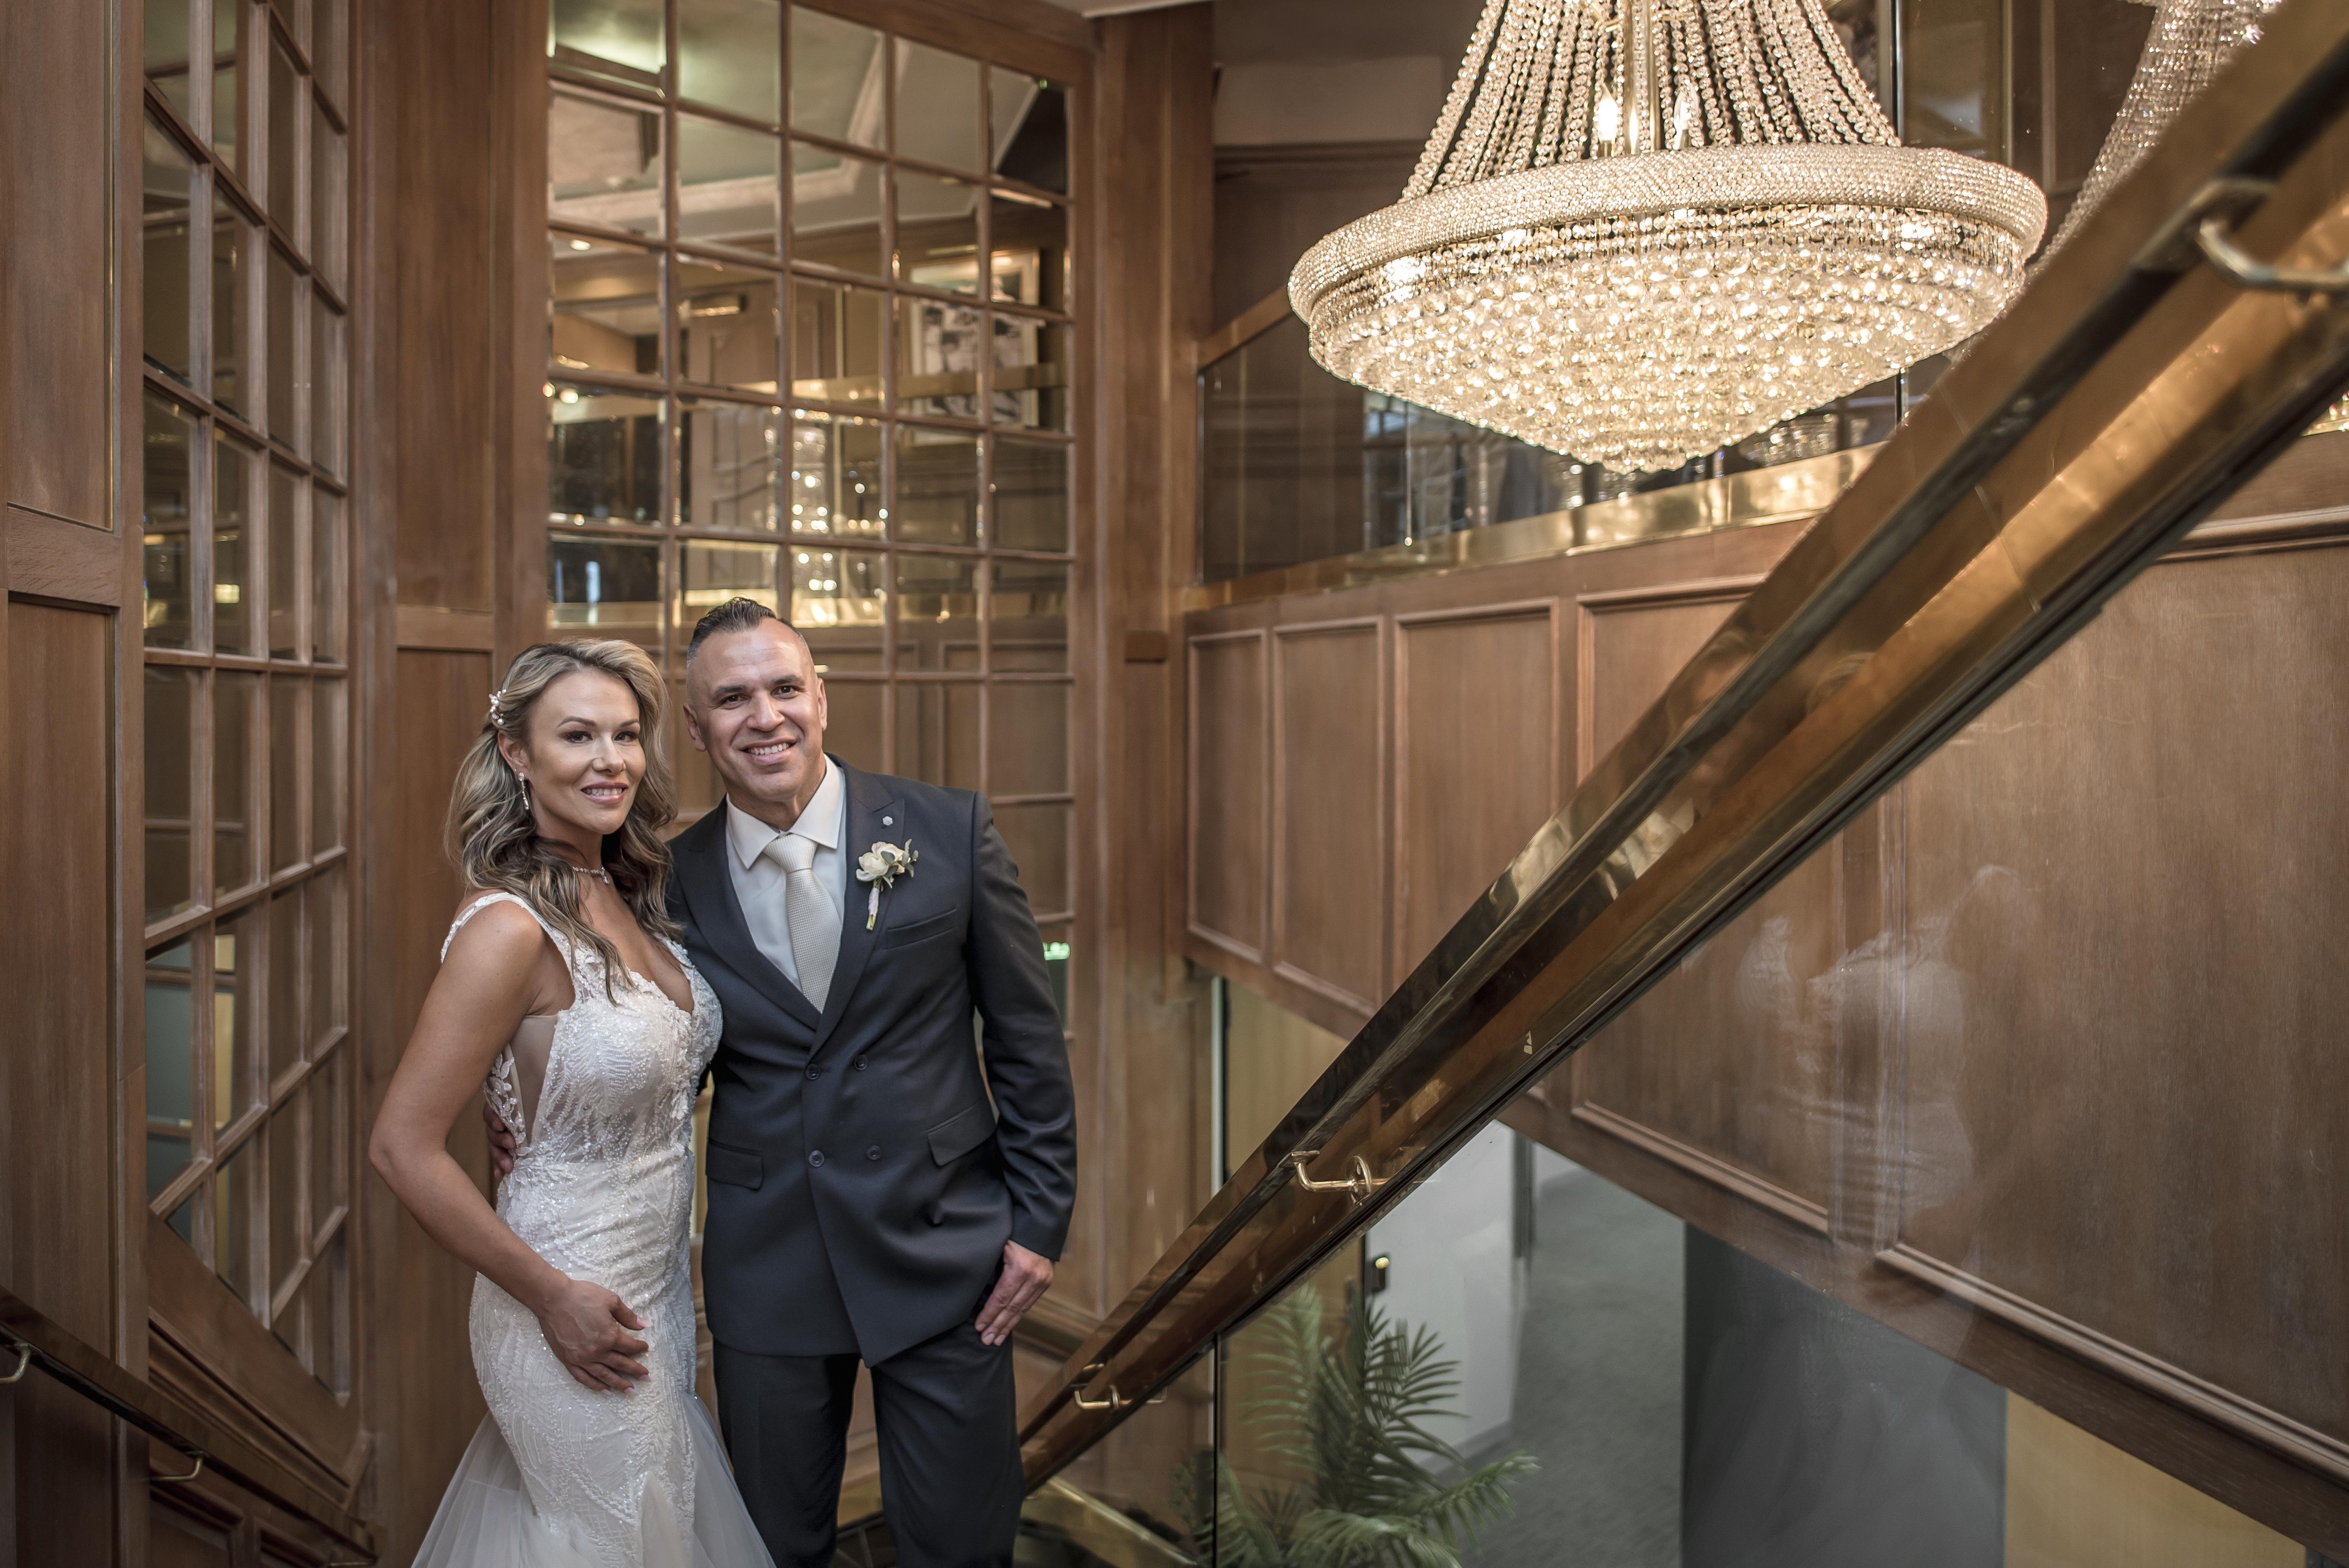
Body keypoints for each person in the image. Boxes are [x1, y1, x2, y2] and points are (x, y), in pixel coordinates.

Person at [489, 598, 1077, 1568]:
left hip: (946, 1253)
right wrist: (524, 1106)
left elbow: (1028, 1041)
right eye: (732, 699)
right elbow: (640, 1045)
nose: (764, 717)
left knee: (962, 1546)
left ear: (821, 698)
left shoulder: (949, 830)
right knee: (769, 1548)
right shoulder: (664, 883)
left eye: (784, 688)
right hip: (769, 1268)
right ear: (695, 728)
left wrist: (1040, 1224)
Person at [370, 639, 776, 1566]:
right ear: (516, 752)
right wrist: (552, 1298)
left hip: (655, 1293)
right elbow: (400, 1146)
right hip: (564, 1301)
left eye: (626, 735)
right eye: (578, 736)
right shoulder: (508, 927)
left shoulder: (624, 889)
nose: (611, 760)